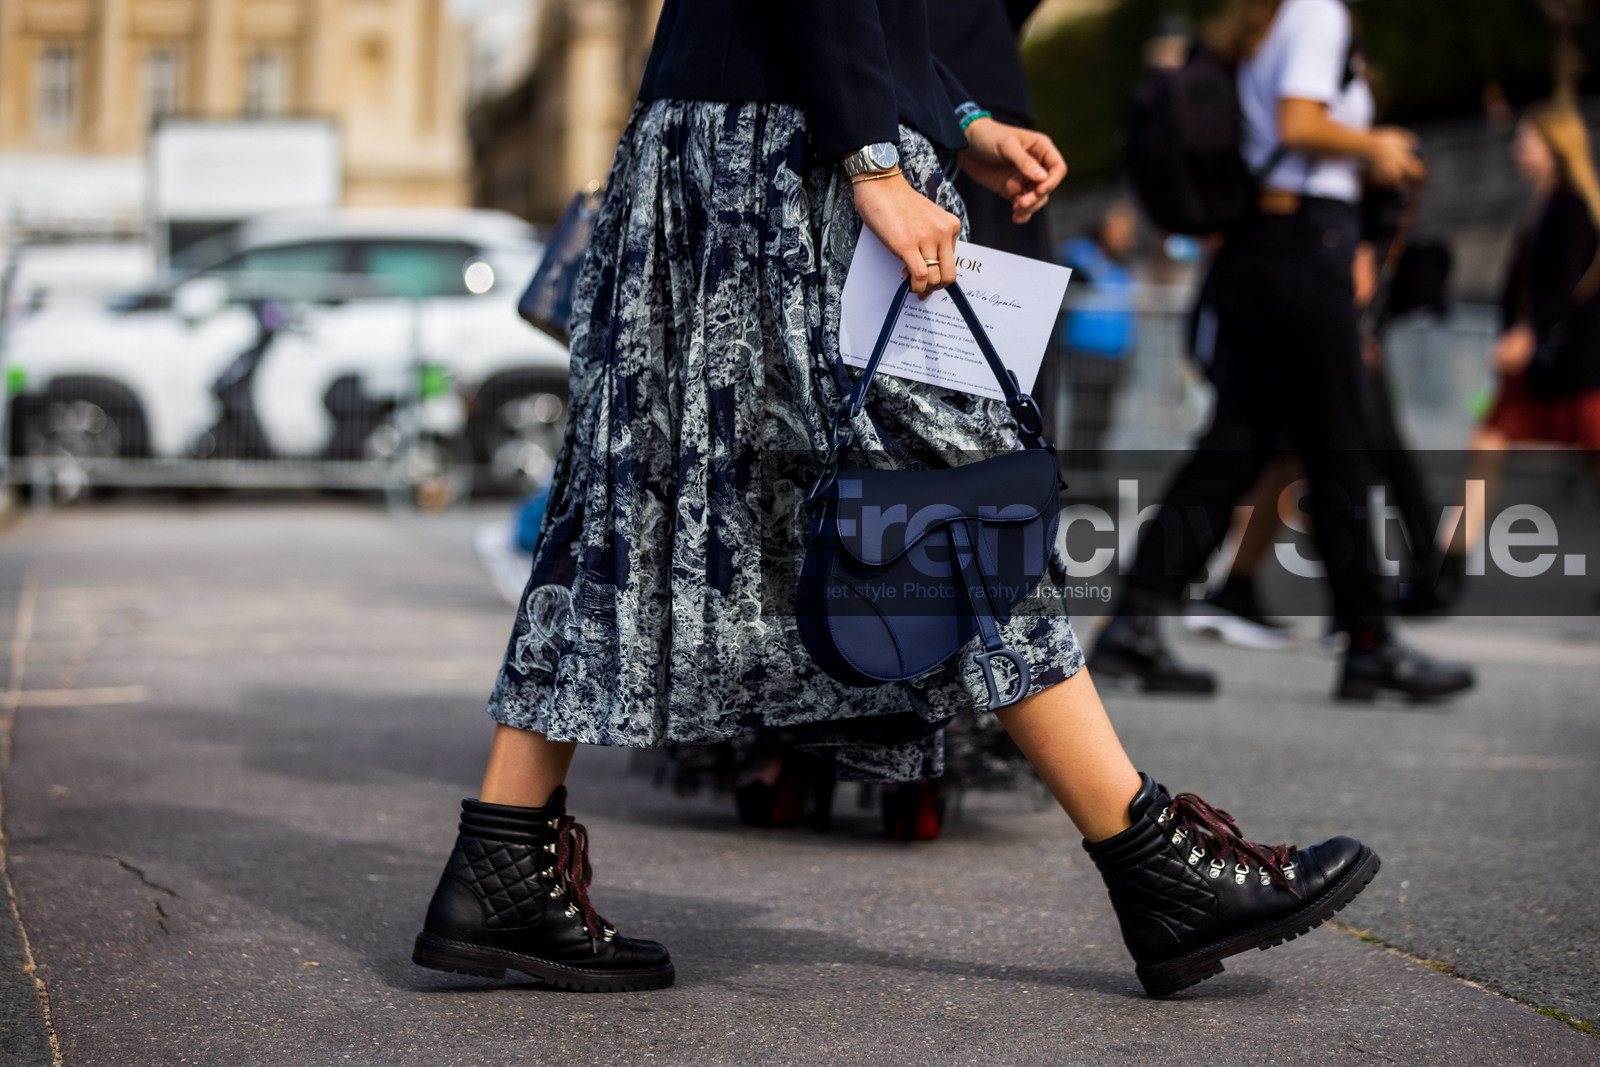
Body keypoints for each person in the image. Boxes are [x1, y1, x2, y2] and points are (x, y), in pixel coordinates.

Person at [411, 0, 1381, 999]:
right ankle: (1152, 863)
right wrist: (874, 160)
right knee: (949, 488)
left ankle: (501, 856)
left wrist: (959, 120)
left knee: (630, 492)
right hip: (797, 148)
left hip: (730, 125)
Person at [1089, 0, 1475, 702]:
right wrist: (1375, 147)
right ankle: (1369, 642)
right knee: (1340, 443)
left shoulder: (1258, 22)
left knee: (1235, 445)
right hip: (1306, 244)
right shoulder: (1317, 12)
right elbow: (1301, 124)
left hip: (1260, 250)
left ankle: (1134, 622)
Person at [1458, 102, 1600, 552]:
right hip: (1547, 360)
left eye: (1527, 140)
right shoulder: (1541, 207)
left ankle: (1450, 557)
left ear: (1555, 147)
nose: (1518, 149)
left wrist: (1529, 331)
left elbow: (1568, 284)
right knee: (1486, 442)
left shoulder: (1572, 206)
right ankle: (1452, 555)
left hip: (1578, 362)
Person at [1058, 202, 1140, 460]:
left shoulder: (1121, 265)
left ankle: (1092, 472)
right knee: (1085, 419)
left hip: (1114, 354)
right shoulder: (1078, 255)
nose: (1128, 237)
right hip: (1085, 352)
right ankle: (1080, 476)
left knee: (1102, 422)